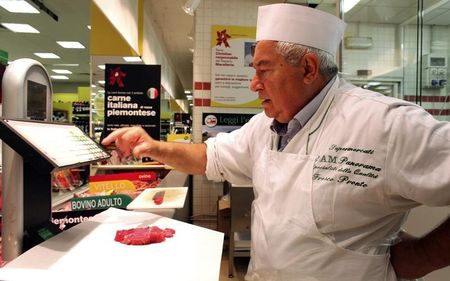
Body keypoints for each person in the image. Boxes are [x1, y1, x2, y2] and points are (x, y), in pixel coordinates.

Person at [101, 3, 450, 281]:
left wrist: (421, 258)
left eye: (263, 69)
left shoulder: (385, 123)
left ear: (308, 69)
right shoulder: (264, 126)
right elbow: (209, 157)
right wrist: (154, 146)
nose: (253, 84)